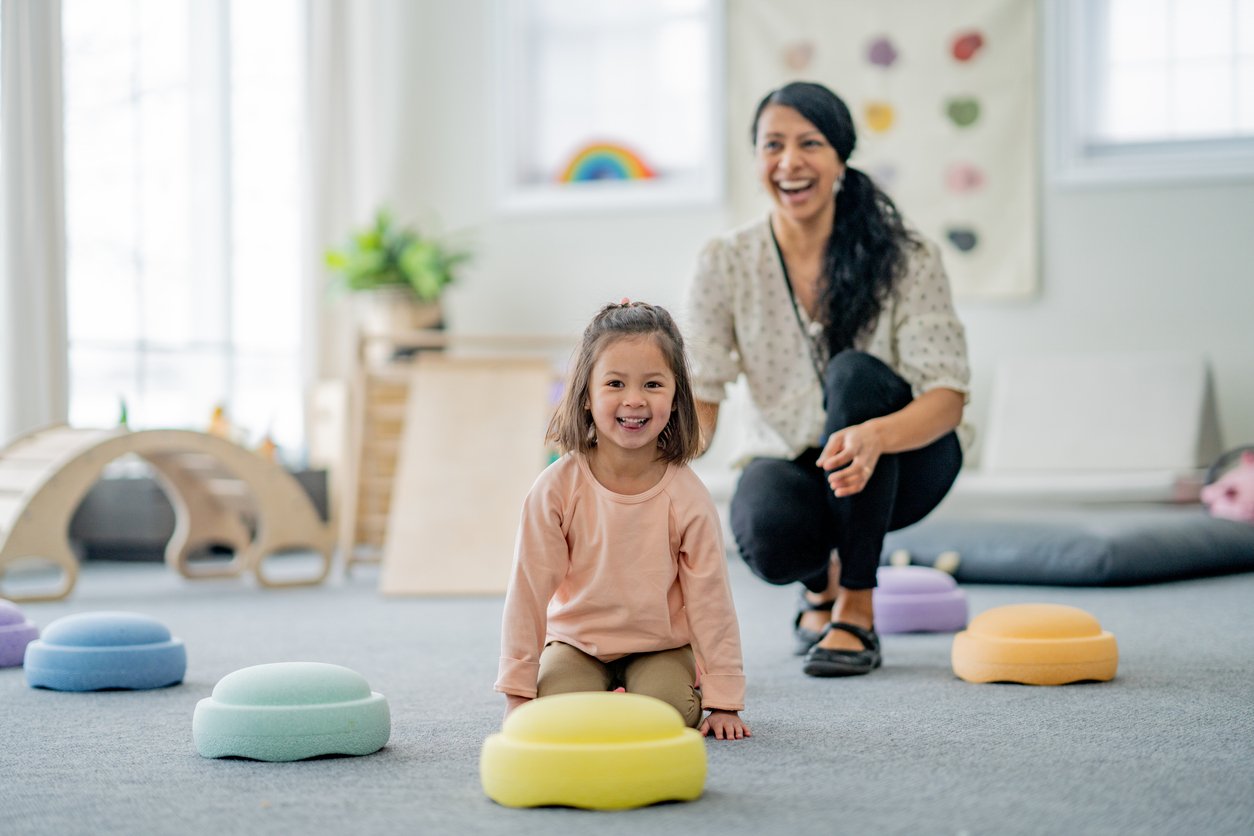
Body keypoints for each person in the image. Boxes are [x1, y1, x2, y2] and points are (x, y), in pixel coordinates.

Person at [684, 81, 970, 678]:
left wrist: (877, 436)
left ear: (839, 157)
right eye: (772, 145)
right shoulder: (724, 260)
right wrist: (648, 455)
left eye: (809, 143)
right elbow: (702, 390)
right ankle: (821, 586)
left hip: (906, 458)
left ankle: (858, 606)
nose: (789, 162)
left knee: (855, 376)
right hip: (792, 459)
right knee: (766, 536)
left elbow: (947, 397)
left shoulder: (908, 255)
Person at [495, 301, 751, 740]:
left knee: (667, 715)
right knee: (557, 716)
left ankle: (641, 689)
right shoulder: (556, 488)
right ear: (587, 396)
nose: (634, 400)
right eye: (615, 383)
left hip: (661, 646)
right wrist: (519, 693)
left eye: (652, 384)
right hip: (578, 643)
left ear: (676, 397)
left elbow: (711, 601)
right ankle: (605, 692)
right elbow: (528, 592)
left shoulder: (687, 496)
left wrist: (723, 699)